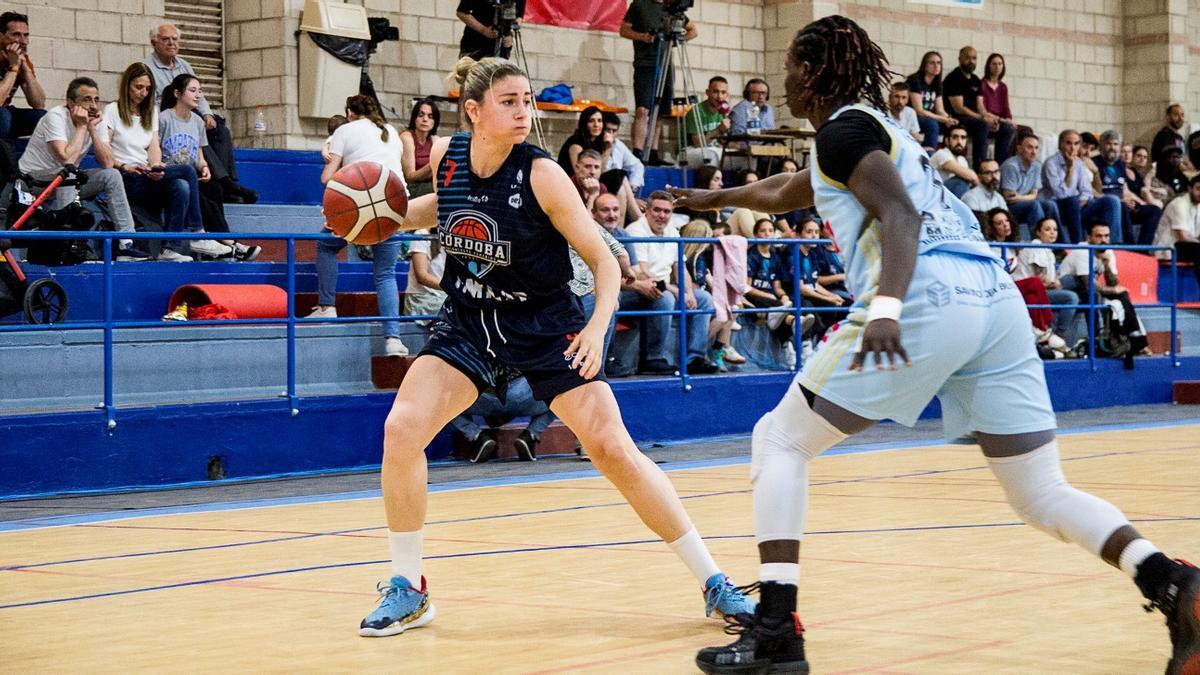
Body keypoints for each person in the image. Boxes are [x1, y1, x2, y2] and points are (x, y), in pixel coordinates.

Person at [671, 16, 1199, 674]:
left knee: (778, 442)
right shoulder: (871, 134)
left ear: (812, 72)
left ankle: (776, 630)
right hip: (993, 299)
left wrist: (887, 308)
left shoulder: (843, 133)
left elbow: (900, 214)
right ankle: (1173, 584)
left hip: (929, 294)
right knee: (1039, 492)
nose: (784, 82)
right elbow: (784, 190)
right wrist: (712, 197)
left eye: (789, 68)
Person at [357, 56, 753, 637]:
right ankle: (408, 587)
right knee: (402, 430)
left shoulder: (542, 174)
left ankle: (714, 581)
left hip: (544, 324)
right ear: (474, 111)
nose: (525, 112)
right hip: (470, 320)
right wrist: (379, 217)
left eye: (526, 100)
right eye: (510, 102)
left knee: (613, 449)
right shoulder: (448, 157)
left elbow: (605, 262)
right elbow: (444, 206)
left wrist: (595, 328)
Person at [105, 63, 258, 263]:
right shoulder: (113, 110)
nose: (143, 93)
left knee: (183, 186)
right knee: (187, 171)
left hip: (146, 173)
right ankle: (198, 233)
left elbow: (153, 147)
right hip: (125, 174)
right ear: (127, 85)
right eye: (138, 87)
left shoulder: (151, 112)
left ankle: (169, 248)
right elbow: (106, 151)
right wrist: (124, 166)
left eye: (148, 89)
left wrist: (156, 166)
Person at [308, 95, 408, 358]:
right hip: (396, 206)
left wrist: (328, 157)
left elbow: (327, 178)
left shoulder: (344, 130)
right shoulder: (391, 132)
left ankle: (327, 307)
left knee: (325, 245)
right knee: (385, 273)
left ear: (349, 112)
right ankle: (393, 339)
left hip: (362, 205)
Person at [17, 77, 147, 261]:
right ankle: (67, 242)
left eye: (96, 99)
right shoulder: (55, 117)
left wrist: (92, 130)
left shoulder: (95, 120)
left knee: (111, 175)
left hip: (62, 181)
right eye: (87, 99)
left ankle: (126, 243)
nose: (93, 106)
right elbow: (67, 159)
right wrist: (81, 127)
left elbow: (108, 163)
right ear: (71, 103)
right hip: (33, 182)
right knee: (70, 174)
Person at [145, 24, 256, 204]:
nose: (171, 43)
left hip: (189, 113)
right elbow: (150, 103)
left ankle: (227, 184)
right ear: (153, 43)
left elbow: (199, 95)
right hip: (168, 118)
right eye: (166, 39)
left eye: (175, 39)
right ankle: (226, 184)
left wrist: (207, 114)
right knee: (195, 132)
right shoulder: (146, 68)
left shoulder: (184, 65)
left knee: (220, 131)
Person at [624, 190, 721, 374]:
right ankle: (652, 359)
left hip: (664, 287)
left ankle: (695, 358)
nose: (662, 215)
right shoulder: (635, 231)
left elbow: (680, 267)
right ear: (647, 210)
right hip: (637, 289)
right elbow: (642, 273)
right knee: (666, 297)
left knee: (704, 299)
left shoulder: (673, 232)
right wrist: (676, 291)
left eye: (666, 211)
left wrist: (689, 293)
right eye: (657, 210)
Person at [158, 74, 242, 260]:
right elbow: (153, 151)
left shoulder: (197, 122)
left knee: (213, 187)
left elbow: (199, 156)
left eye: (200, 91)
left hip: (188, 175)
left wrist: (204, 167)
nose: (198, 95)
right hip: (167, 174)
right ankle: (198, 232)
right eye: (192, 90)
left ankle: (223, 242)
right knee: (185, 178)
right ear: (177, 93)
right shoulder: (163, 118)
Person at [1059, 222, 1150, 361]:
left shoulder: (1107, 252)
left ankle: (1133, 337)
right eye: (1099, 236)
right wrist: (1113, 290)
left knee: (1121, 296)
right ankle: (1097, 339)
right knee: (1095, 295)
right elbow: (1088, 283)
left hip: (1087, 291)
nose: (1104, 240)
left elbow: (1113, 283)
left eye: (1106, 236)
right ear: (1089, 238)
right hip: (1068, 289)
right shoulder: (1082, 252)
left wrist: (1107, 265)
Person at [620, 0, 697, 165]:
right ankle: (638, 151)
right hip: (645, 64)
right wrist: (644, 37)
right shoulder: (640, 5)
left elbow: (693, 30)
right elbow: (624, 30)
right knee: (643, 110)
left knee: (661, 111)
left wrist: (677, 41)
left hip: (666, 64)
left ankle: (653, 151)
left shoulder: (671, 8)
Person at [453, 373, 555, 463]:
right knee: (560, 392)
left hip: (485, 398)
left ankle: (476, 435)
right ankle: (531, 434)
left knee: (447, 401)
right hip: (521, 397)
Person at [1041, 129, 1122, 244]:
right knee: (1072, 201)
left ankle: (1112, 244)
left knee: (1112, 200)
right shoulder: (1051, 163)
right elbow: (1061, 194)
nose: (1072, 147)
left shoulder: (1079, 163)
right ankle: (1078, 245)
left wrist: (1081, 203)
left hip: (1077, 206)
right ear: (1061, 145)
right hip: (1058, 207)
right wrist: (1070, 169)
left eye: (1076, 144)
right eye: (1068, 143)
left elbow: (1087, 191)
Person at [943, 46, 1014, 167]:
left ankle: (998, 168)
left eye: (974, 58)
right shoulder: (953, 78)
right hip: (957, 119)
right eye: (967, 58)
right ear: (959, 59)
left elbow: (981, 107)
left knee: (1007, 128)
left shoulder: (975, 80)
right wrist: (983, 119)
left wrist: (993, 120)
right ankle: (980, 167)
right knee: (982, 125)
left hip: (975, 119)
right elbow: (959, 108)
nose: (971, 61)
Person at [1015, 217, 1079, 341]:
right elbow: (1041, 280)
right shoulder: (1036, 246)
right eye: (1047, 229)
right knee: (1071, 297)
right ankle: (1059, 335)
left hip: (1042, 290)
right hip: (1030, 291)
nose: (1052, 232)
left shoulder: (1048, 250)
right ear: (1038, 232)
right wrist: (1056, 284)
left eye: (1055, 229)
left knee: (1079, 285)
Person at [1093, 130, 1161, 247]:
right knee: (1122, 206)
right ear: (1102, 145)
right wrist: (1121, 201)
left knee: (1154, 210)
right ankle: (1130, 246)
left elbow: (1125, 189)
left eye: (1115, 144)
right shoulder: (1094, 163)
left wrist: (1136, 202)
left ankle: (1143, 248)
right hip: (1105, 206)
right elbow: (1093, 191)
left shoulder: (1119, 164)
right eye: (1108, 144)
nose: (1112, 147)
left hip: (1123, 204)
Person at [1001, 134, 1060, 231]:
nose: (1034, 152)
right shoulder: (1011, 166)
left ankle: (1057, 240)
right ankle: (1039, 239)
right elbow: (1009, 198)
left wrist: (1020, 197)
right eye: (1030, 147)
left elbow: (1034, 194)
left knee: (1051, 205)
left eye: (1036, 148)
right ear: (1019, 149)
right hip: (1009, 208)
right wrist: (1026, 197)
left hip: (1025, 202)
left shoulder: (1037, 165)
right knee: (1034, 205)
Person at [0, 11, 45, 139]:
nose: (24, 41)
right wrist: (14, 68)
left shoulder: (21, 59)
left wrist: (24, 66)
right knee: (3, 116)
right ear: (1, 36)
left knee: (42, 117)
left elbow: (38, 103)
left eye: (26, 35)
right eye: (16, 35)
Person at [1151, 174, 1200, 286]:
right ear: (1189, 188)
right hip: (1168, 248)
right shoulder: (1179, 204)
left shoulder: (1198, 206)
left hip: (1188, 247)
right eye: (1198, 188)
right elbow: (1183, 237)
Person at [905, 50, 956, 153]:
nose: (936, 66)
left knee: (954, 126)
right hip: (912, 117)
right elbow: (919, 110)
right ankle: (929, 155)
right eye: (932, 63)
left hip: (929, 117)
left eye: (938, 63)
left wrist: (949, 119)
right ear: (925, 65)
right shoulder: (915, 80)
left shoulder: (937, 84)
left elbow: (940, 110)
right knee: (932, 125)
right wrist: (942, 119)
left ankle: (947, 155)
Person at [402, 229, 447, 326]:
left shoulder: (457, 238)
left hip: (446, 296)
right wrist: (451, 289)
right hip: (422, 298)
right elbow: (422, 276)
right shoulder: (421, 234)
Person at [456, 0, 525, 61]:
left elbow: (519, 17)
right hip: (475, 45)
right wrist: (483, 30)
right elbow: (461, 12)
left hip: (501, 48)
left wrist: (509, 33)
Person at [399, 98, 440, 199]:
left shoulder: (435, 139)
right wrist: (433, 164)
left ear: (435, 122)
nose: (425, 119)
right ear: (414, 118)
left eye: (430, 116)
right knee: (443, 189)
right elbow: (410, 177)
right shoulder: (407, 137)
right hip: (410, 188)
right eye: (421, 115)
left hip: (430, 184)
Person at [929, 126, 977, 198]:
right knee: (961, 182)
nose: (959, 141)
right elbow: (972, 177)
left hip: (947, 195)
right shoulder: (941, 153)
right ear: (947, 141)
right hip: (933, 195)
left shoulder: (962, 160)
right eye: (955, 137)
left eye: (963, 138)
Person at [960, 159, 1007, 228]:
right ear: (979, 176)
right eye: (988, 173)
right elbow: (974, 226)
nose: (994, 176)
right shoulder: (971, 197)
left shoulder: (999, 198)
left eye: (996, 172)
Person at [686, 76, 731, 148]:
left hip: (716, 149)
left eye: (723, 92)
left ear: (727, 95)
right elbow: (698, 144)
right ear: (707, 92)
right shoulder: (696, 112)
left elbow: (724, 142)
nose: (720, 96)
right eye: (715, 91)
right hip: (695, 150)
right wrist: (718, 130)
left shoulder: (725, 112)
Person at [980, 53, 1014, 139]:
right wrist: (999, 120)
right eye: (994, 64)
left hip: (1001, 121)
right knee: (1007, 128)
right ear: (988, 66)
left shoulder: (1003, 87)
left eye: (1000, 64)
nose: (997, 67)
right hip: (987, 120)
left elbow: (1006, 108)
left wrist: (1008, 119)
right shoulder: (982, 84)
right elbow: (982, 110)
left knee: (1025, 130)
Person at [1151, 103, 1188, 168]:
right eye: (1176, 115)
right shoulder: (1164, 136)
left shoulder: (1179, 137)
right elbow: (1169, 159)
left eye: (1182, 115)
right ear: (1168, 117)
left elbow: (1180, 158)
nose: (1180, 118)